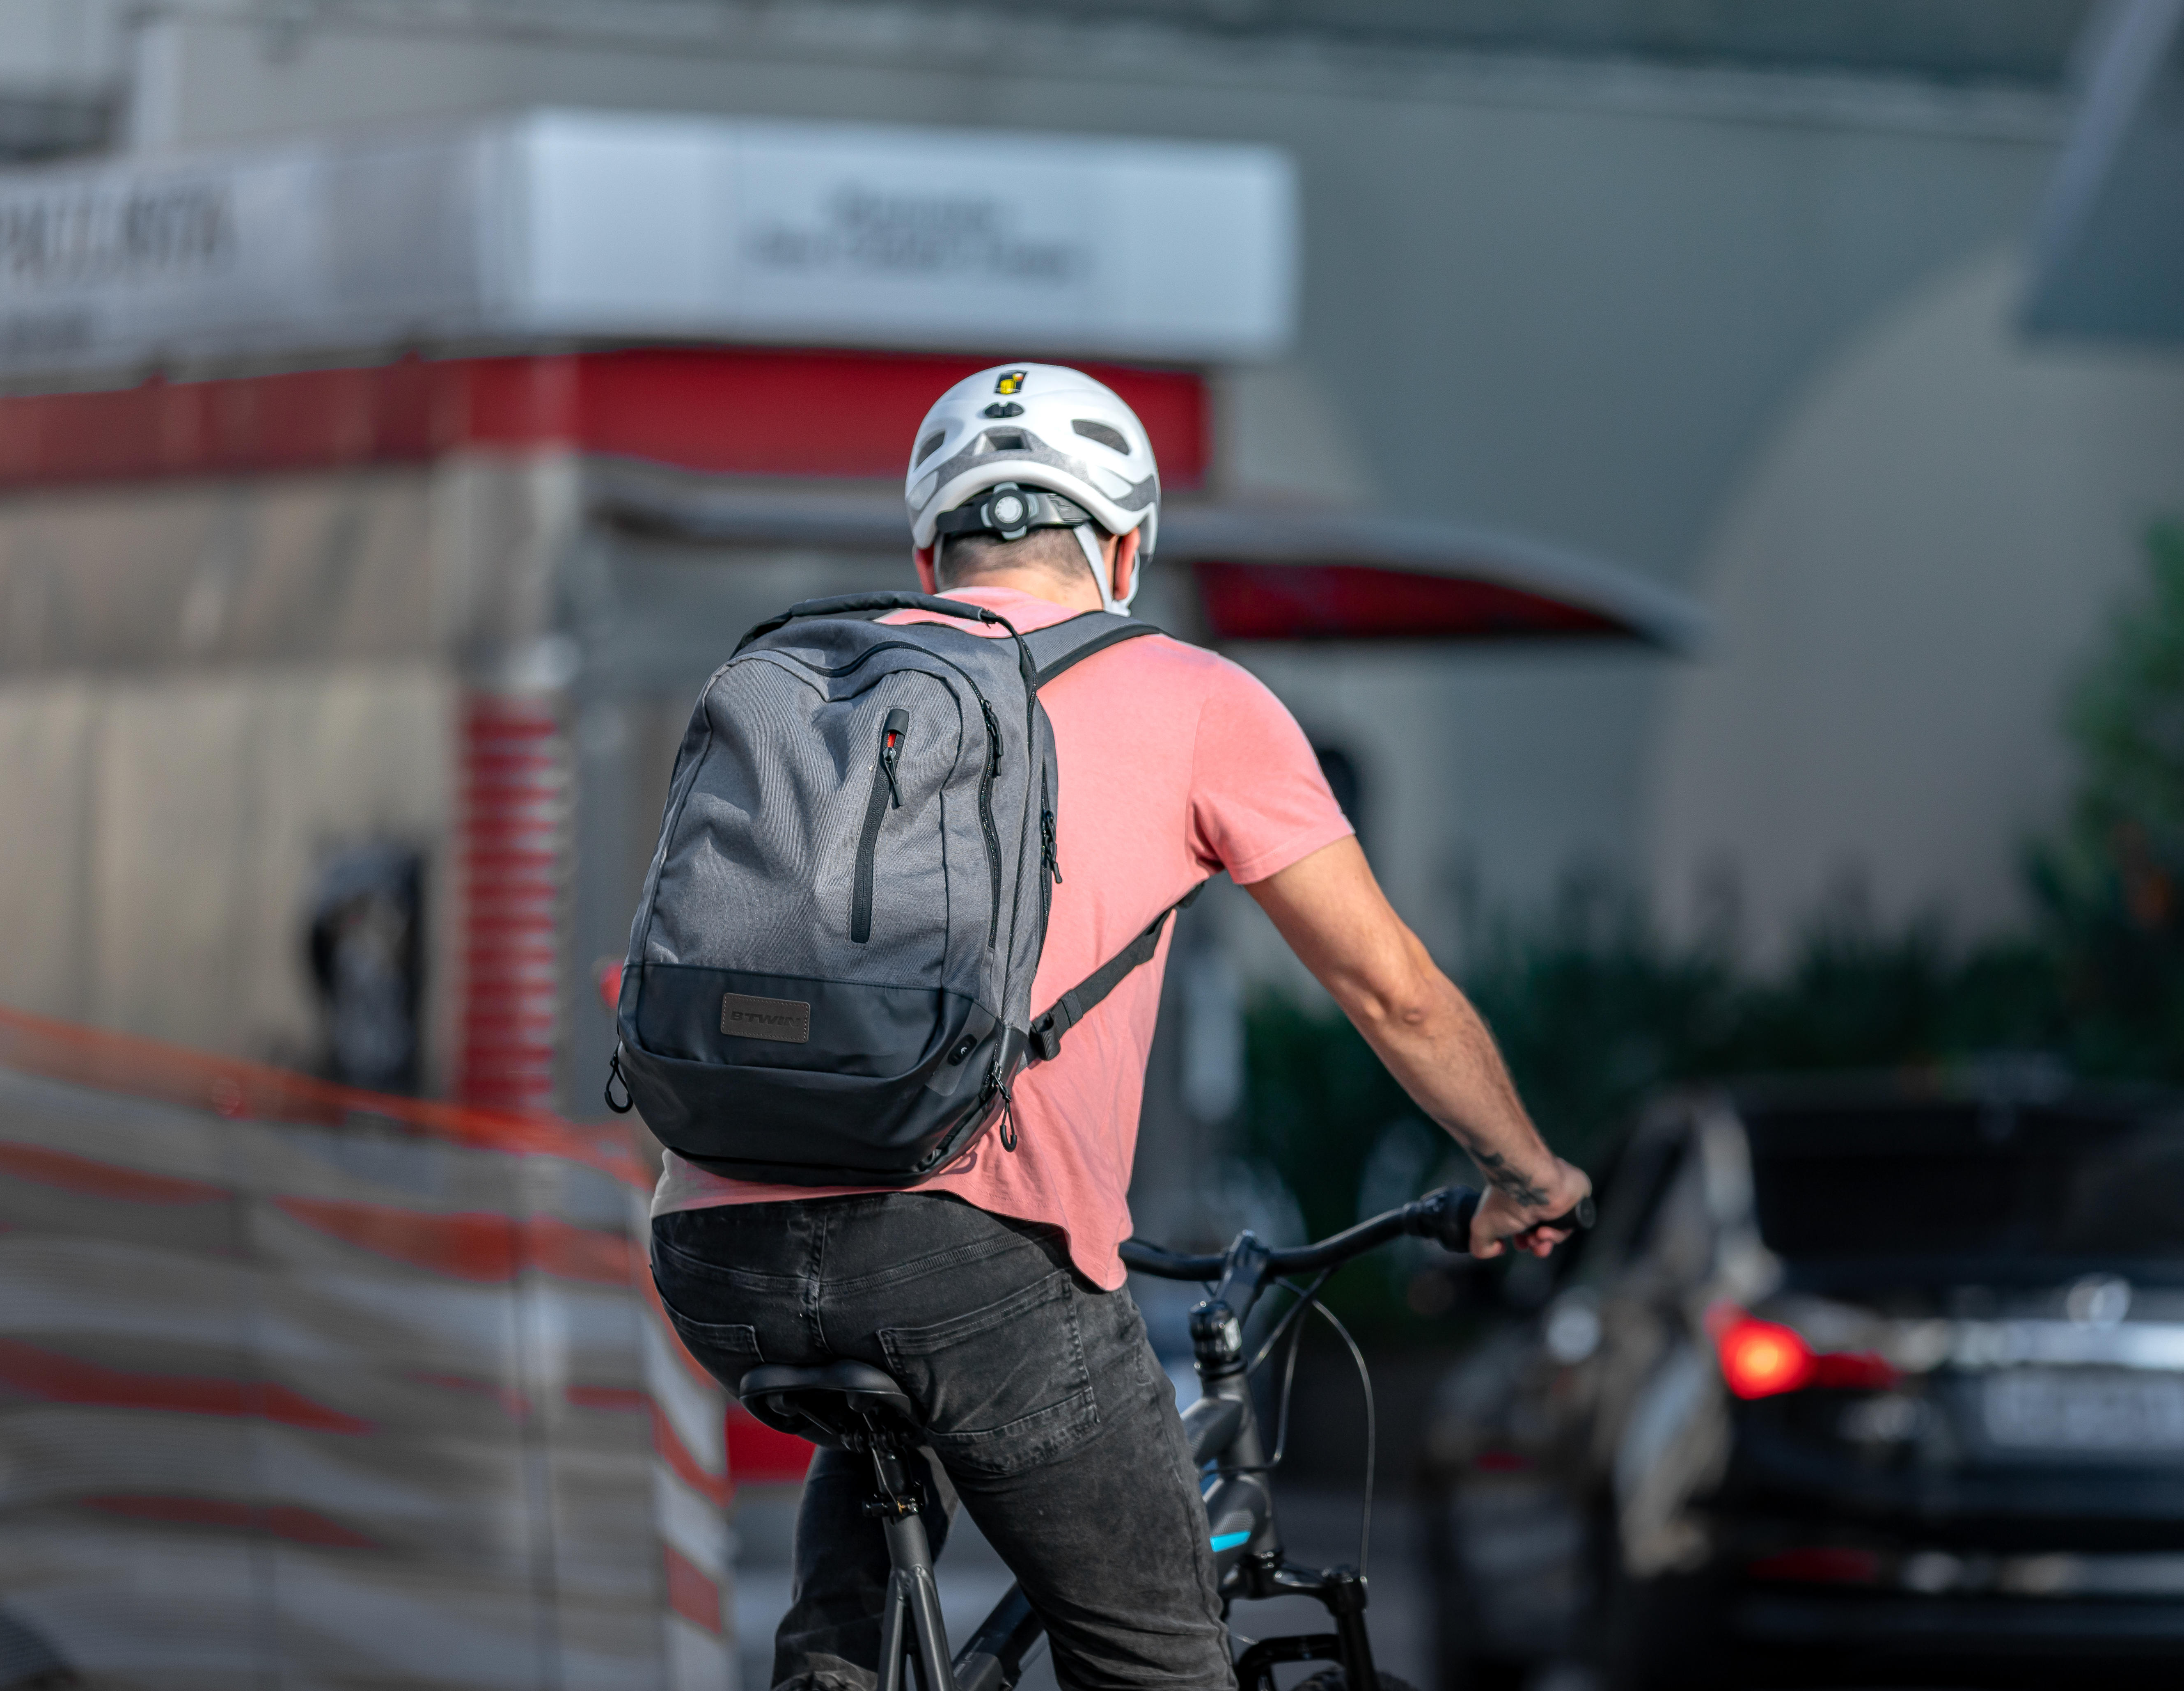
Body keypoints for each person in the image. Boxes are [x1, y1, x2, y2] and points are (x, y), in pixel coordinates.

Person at [648, 364, 1591, 1691]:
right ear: (1128, 543)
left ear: (928, 548)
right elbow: (1394, 992)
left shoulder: (814, 682)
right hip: (969, 1255)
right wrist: (1524, 1175)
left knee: (868, 1550)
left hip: (711, 1252)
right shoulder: (1196, 698)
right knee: (1156, 1660)